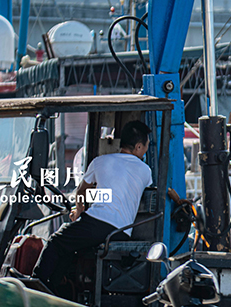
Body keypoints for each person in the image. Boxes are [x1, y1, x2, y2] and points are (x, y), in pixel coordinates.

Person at [33, 120, 153, 298]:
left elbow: (81, 192)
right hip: (122, 232)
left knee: (56, 242)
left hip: (97, 225)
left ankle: (35, 287)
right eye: (146, 147)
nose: (145, 151)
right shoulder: (146, 171)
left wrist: (78, 211)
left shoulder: (100, 161)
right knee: (70, 248)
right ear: (138, 146)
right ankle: (55, 290)